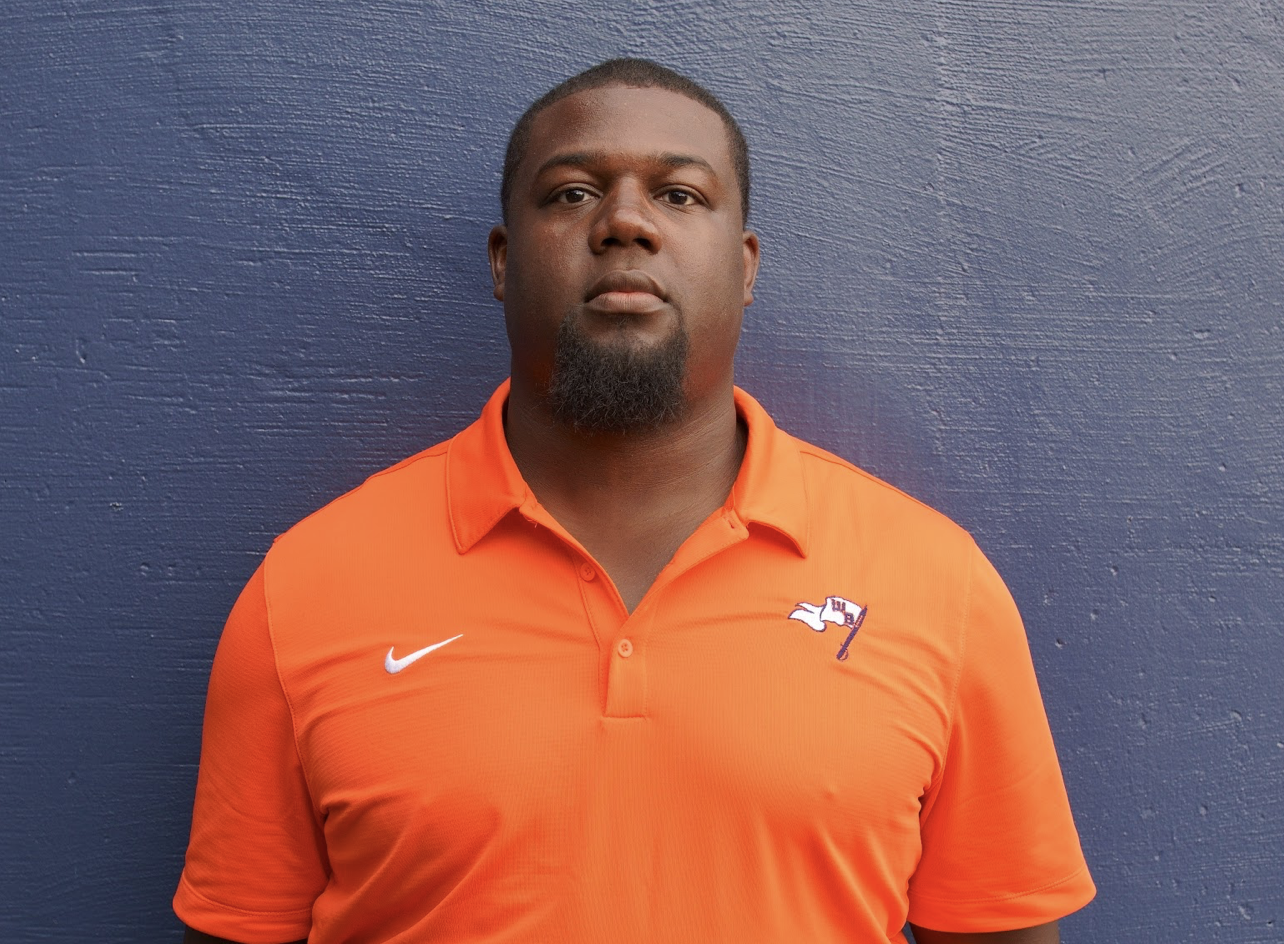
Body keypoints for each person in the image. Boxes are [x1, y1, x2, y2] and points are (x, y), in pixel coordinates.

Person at [175, 58, 1095, 944]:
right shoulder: (307, 590)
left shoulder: (936, 585)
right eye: (572, 193)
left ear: (745, 265)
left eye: (680, 195)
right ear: (502, 261)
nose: (625, 222)